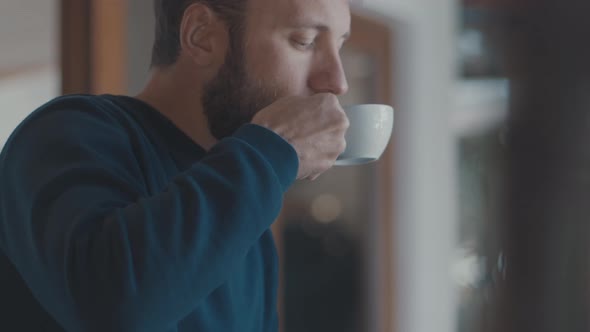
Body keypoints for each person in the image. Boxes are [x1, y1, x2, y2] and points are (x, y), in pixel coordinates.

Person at [0, 0, 351, 331]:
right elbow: (115, 307)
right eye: (304, 41)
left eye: (341, 47)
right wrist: (270, 152)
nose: (338, 82)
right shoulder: (65, 133)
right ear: (201, 35)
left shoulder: (251, 227)